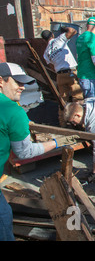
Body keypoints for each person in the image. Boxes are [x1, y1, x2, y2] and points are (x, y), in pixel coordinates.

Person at [0, 62, 78, 241]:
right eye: (17, 82)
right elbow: (25, 152)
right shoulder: (13, 111)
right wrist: (56, 142)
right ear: (1, 82)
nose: (22, 87)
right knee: (4, 221)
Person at [42, 26, 83, 126]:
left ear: (44, 40)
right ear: (52, 35)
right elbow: (73, 31)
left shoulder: (46, 52)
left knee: (62, 101)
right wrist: (63, 28)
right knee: (78, 98)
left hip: (59, 76)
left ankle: (63, 123)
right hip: (71, 73)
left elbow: (52, 67)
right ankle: (81, 122)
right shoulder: (59, 39)